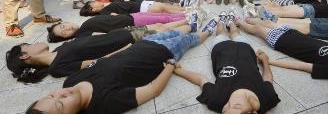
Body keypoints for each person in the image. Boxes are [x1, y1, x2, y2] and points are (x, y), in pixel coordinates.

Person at [25, 25, 214, 114]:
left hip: (143, 45)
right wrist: (171, 65)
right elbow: (153, 90)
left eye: (51, 96)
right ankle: (209, 31)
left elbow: (103, 60)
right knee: (189, 40)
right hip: (161, 54)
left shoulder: (70, 81)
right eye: (60, 104)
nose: (62, 94)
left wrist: (129, 46)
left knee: (173, 32)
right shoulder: (104, 103)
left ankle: (194, 26)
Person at [7, 21, 190, 82]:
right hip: (126, 42)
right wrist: (127, 49)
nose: (32, 43)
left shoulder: (59, 49)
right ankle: (195, 27)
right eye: (27, 45)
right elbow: (97, 62)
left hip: (119, 34)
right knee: (167, 32)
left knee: (160, 26)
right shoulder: (56, 67)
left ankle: (192, 21)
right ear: (25, 55)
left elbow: (91, 40)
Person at [174, 13, 280, 113]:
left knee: (220, 33)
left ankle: (221, 21)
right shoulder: (268, 98)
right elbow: (268, 80)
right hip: (245, 49)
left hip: (221, 50)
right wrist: (265, 61)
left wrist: (177, 70)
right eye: (236, 106)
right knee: (235, 32)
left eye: (225, 108)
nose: (230, 101)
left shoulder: (216, 100)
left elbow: (201, 79)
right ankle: (230, 22)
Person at [47, 12, 187, 42]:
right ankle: (187, 18)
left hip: (130, 17)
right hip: (132, 23)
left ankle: (185, 16)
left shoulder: (83, 27)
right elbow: (104, 37)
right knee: (162, 20)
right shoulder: (82, 34)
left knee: (162, 17)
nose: (67, 28)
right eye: (63, 32)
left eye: (63, 26)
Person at [79, 0, 187, 17]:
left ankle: (187, 9)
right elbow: (117, 17)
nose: (96, 1)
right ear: (92, 9)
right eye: (93, 2)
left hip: (140, 4)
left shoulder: (106, 6)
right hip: (139, 9)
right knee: (163, 8)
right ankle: (187, 13)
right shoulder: (104, 12)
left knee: (165, 6)